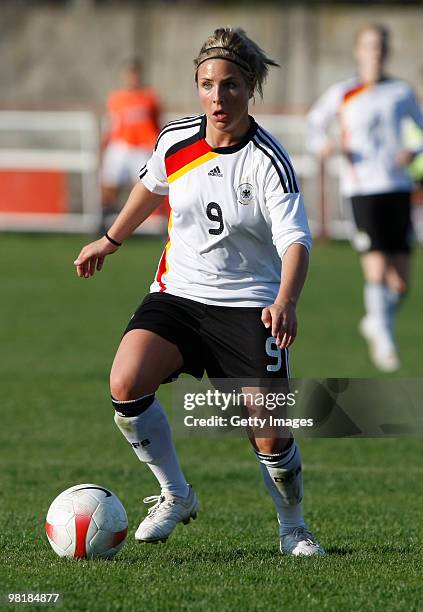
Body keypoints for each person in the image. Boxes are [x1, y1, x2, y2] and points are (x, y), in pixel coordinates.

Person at [74, 27, 323, 557]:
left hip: (250, 306)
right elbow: (150, 184)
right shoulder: (175, 140)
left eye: (230, 85)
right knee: (126, 383)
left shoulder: (269, 162)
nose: (217, 97)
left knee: (270, 437)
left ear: (250, 88)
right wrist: (112, 238)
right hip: (178, 296)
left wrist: (285, 301)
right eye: (207, 84)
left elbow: (296, 240)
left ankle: (294, 527)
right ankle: (175, 493)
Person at [307, 24, 423, 372]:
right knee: (375, 266)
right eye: (370, 46)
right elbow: (315, 124)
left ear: (387, 53)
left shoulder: (400, 92)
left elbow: (422, 131)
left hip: (398, 188)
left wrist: (412, 149)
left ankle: (376, 320)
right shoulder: (343, 93)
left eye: (381, 47)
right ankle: (384, 340)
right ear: (358, 51)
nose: (376, 52)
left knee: (400, 283)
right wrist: (324, 147)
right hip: (361, 190)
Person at [101, 58, 161, 229]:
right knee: (109, 185)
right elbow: (111, 124)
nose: (132, 78)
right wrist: (104, 146)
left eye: (135, 74)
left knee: (144, 189)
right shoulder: (116, 98)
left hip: (142, 148)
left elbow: (157, 123)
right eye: (129, 74)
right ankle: (104, 220)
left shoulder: (149, 97)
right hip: (121, 146)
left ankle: (142, 224)